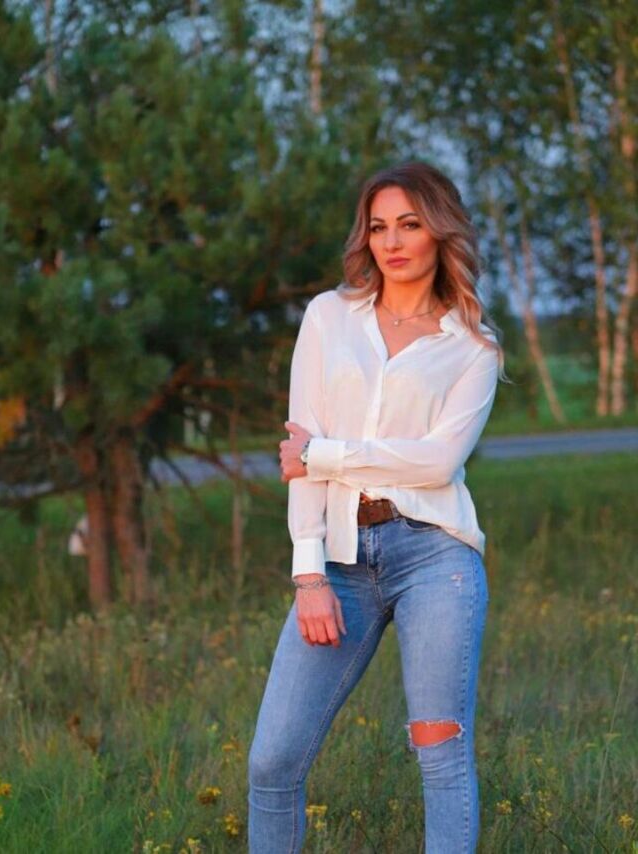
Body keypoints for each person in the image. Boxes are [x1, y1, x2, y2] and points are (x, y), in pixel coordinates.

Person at [247, 161, 507, 854]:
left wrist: (325, 456)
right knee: (272, 762)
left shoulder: (473, 348)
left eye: (410, 225)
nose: (392, 242)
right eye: (379, 226)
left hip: (437, 557)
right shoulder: (329, 317)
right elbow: (299, 439)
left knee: (440, 756)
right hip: (338, 560)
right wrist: (308, 574)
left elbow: (436, 463)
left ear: (439, 232)